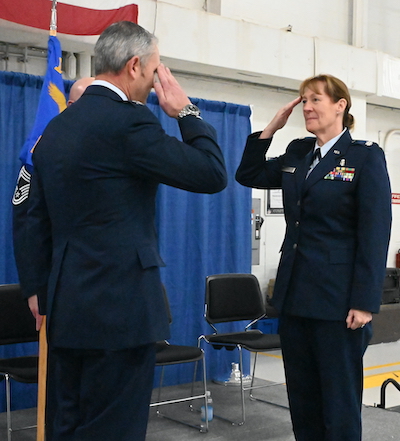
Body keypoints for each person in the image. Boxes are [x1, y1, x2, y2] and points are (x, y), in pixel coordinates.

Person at [25, 21, 227, 441]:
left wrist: (40, 288)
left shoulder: (56, 128)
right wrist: (186, 112)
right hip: (120, 313)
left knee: (68, 425)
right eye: (155, 72)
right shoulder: (130, 124)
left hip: (67, 308)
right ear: (134, 65)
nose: (156, 84)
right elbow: (211, 173)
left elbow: (36, 218)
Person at [236, 74, 391, 441]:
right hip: (296, 297)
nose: (306, 107)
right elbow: (249, 173)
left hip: (338, 302)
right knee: (303, 401)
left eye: (316, 100)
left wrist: (365, 302)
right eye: (303, 100)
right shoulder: (299, 153)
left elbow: (375, 231)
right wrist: (271, 127)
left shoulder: (364, 156)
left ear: (341, 105)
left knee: (338, 403)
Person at [12, 76, 95, 328]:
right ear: (69, 105)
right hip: (60, 283)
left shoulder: (107, 147)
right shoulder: (45, 149)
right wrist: (34, 286)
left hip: (102, 286)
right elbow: (27, 222)